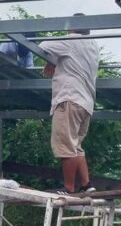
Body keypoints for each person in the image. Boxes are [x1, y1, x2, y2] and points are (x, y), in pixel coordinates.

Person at [41, 14, 100, 195]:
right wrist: (55, 60)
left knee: (66, 145)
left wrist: (51, 59)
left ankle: (68, 188)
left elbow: (43, 46)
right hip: (85, 103)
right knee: (75, 146)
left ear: (72, 28)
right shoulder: (93, 45)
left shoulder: (71, 40)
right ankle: (87, 184)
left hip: (69, 98)